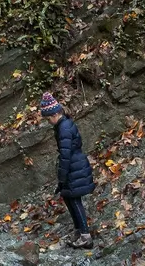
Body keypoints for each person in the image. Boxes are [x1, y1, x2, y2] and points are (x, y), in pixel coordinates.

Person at [41, 92, 96, 249]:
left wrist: (62, 177)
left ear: (55, 113)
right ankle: (79, 231)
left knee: (74, 199)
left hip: (74, 167)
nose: (48, 121)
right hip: (74, 165)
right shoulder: (63, 124)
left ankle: (85, 236)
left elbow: (66, 155)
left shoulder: (64, 127)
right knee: (68, 197)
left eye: (48, 118)